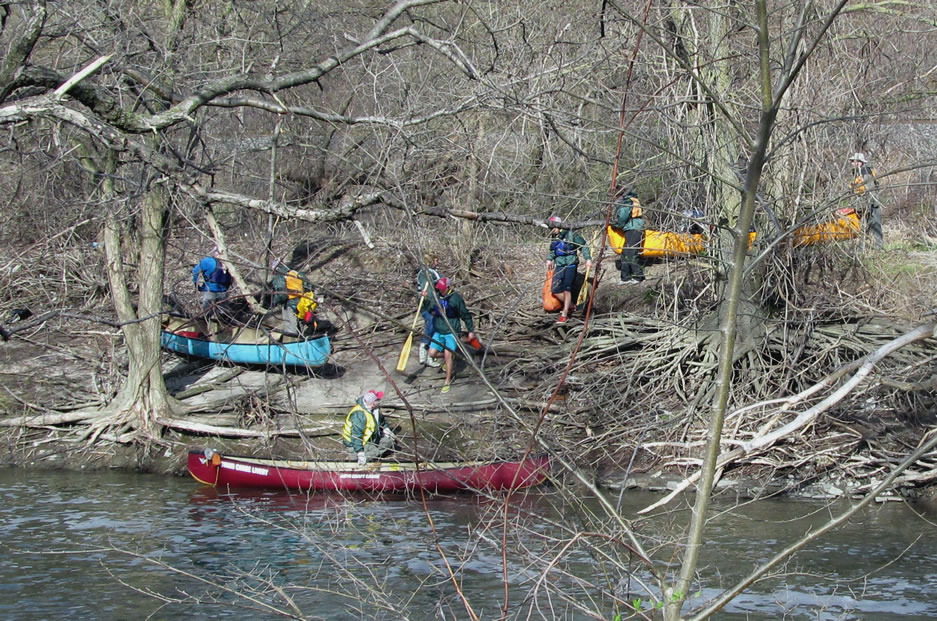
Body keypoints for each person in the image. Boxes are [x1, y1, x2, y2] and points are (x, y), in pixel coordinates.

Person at [422, 277, 476, 393]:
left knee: (448, 355)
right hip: (439, 330)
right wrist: (425, 299)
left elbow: (465, 315)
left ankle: (447, 380)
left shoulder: (455, 299)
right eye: (439, 288)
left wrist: (470, 330)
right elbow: (429, 308)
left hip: (452, 331)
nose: (440, 290)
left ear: (447, 288)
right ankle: (451, 357)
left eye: (442, 289)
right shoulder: (436, 296)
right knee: (432, 353)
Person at [545, 215, 592, 323]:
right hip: (559, 265)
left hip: (571, 264)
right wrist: (549, 259)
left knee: (567, 289)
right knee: (555, 290)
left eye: (553, 227)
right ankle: (571, 306)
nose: (552, 230)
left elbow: (583, 245)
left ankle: (564, 314)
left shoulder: (571, 234)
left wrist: (588, 259)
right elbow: (553, 250)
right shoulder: (554, 236)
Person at [341, 390, 395, 465]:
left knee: (389, 441)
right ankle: (356, 456)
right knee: (374, 451)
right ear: (372, 403)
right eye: (377, 400)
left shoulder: (374, 410)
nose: (379, 402)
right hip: (355, 443)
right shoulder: (359, 415)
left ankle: (368, 453)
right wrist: (360, 453)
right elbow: (356, 436)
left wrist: (386, 429)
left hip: (370, 439)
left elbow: (381, 421)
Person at [270, 258, 317, 335]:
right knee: (303, 324)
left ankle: (293, 341)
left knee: (290, 328)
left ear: (276, 269)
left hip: (290, 305)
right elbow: (309, 287)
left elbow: (282, 295)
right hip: (303, 303)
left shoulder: (280, 278)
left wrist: (273, 303)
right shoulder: (296, 273)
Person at [849, 152, 884, 249]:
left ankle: (878, 246)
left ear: (859, 162)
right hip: (863, 205)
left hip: (870, 205)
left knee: (874, 225)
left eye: (853, 161)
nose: (851, 163)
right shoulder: (858, 172)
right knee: (865, 227)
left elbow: (870, 190)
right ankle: (862, 247)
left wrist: (868, 206)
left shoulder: (865, 172)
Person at [614, 190, 645, 284]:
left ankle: (638, 276)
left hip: (634, 228)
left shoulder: (627, 202)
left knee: (631, 252)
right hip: (632, 228)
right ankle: (625, 278)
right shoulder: (630, 200)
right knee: (625, 253)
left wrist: (616, 225)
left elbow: (622, 217)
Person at [416, 252, 442, 368]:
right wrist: (432, 307)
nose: (437, 262)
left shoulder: (433, 273)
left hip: (434, 305)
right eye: (436, 260)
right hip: (428, 306)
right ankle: (424, 350)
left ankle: (430, 354)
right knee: (431, 325)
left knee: (435, 328)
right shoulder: (426, 273)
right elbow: (428, 291)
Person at [192, 247, 233, 312]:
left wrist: (196, 284)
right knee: (223, 312)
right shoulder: (228, 263)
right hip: (223, 291)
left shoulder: (208, 261)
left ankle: (205, 317)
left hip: (209, 289)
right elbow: (232, 277)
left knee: (206, 311)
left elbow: (195, 271)